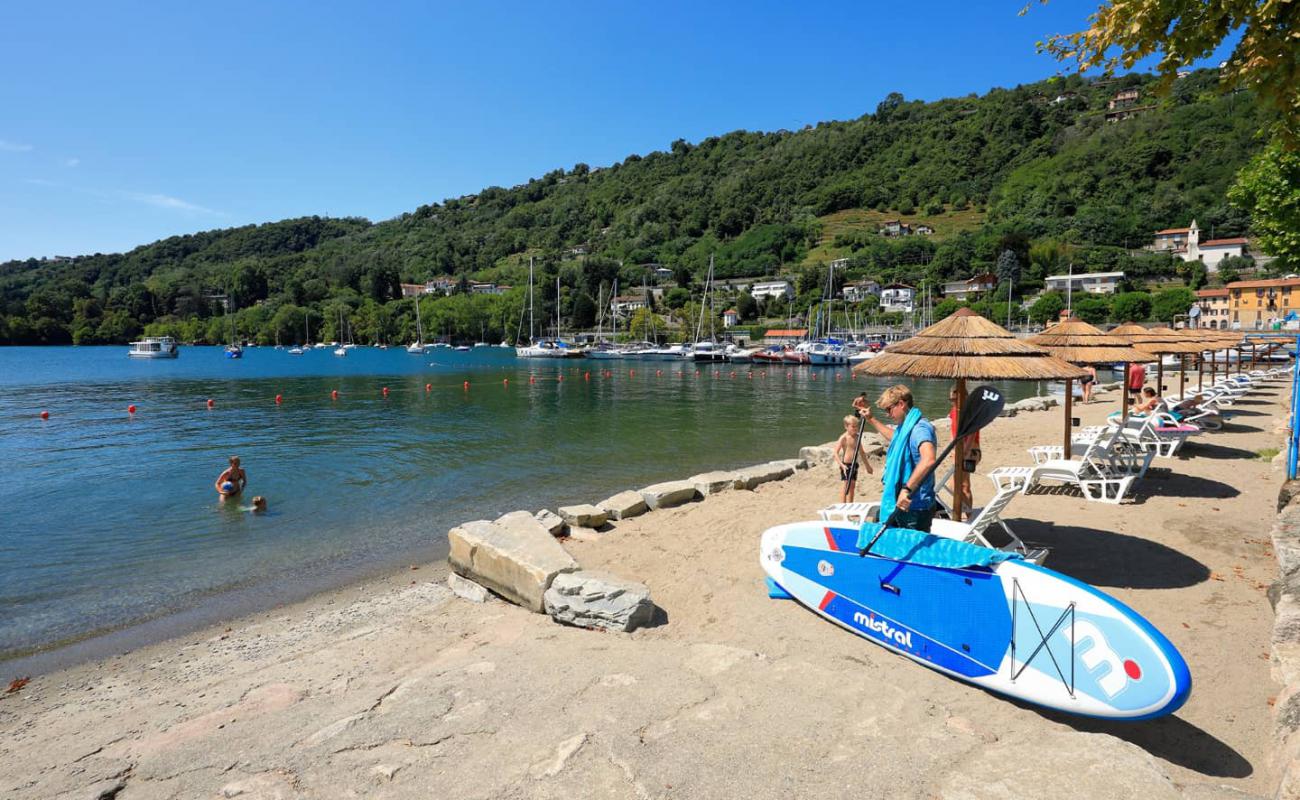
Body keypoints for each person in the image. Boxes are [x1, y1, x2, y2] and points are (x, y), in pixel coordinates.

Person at [854, 385, 937, 533]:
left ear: (901, 404)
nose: (887, 414)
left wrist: (906, 489)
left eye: (889, 409)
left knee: (911, 553)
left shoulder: (920, 428)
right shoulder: (906, 427)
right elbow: (896, 439)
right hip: (902, 502)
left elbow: (929, 459)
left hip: (915, 506)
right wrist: (871, 419)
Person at [947, 385, 980, 517]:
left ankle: (967, 513)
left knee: (956, 485)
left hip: (971, 450)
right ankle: (966, 514)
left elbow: (972, 434)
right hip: (959, 449)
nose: (954, 402)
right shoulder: (954, 411)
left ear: (965, 397)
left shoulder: (970, 412)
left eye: (956, 399)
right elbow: (953, 431)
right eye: (952, 399)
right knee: (964, 485)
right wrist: (951, 448)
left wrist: (964, 452)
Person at [832, 413, 875, 504]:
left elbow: (862, 452)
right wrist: (842, 465)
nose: (855, 429)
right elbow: (835, 453)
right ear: (846, 426)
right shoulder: (844, 438)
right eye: (853, 427)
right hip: (846, 465)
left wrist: (868, 466)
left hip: (854, 464)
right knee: (846, 485)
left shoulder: (857, 437)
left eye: (857, 426)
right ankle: (843, 506)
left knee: (852, 486)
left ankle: (850, 505)